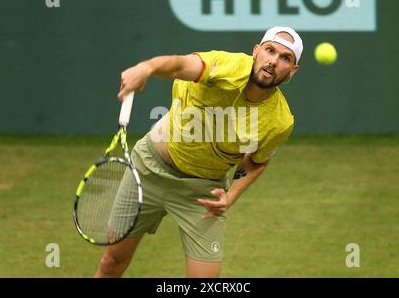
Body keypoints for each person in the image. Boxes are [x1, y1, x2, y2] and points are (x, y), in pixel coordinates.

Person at [95, 26, 303, 278]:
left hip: (202, 191)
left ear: (292, 72)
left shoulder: (280, 121)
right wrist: (146, 68)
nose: (273, 61)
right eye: (270, 50)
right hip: (147, 170)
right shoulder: (226, 66)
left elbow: (257, 161)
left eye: (285, 58)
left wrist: (231, 196)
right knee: (111, 263)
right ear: (256, 51)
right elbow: (179, 64)